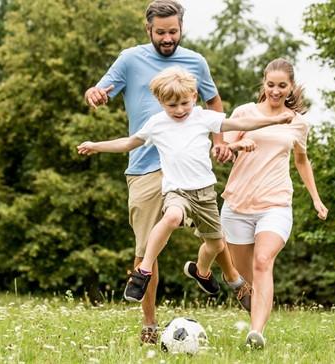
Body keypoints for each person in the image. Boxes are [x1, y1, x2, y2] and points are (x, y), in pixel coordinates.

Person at [82, 0, 249, 344]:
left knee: (212, 230)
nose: (168, 38)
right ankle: (149, 323)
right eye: (161, 32)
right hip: (144, 166)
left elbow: (213, 104)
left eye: (173, 31)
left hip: (187, 162)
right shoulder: (130, 59)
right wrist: (95, 94)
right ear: (149, 30)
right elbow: (100, 90)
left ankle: (232, 278)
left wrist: (220, 141)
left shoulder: (195, 62)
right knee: (146, 250)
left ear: (181, 28)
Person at [78, 67, 294, 306]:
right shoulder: (156, 124)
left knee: (216, 244)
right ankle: (143, 271)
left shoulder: (202, 117)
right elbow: (129, 143)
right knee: (171, 217)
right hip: (176, 191)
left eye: (184, 103)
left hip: (204, 194)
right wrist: (97, 145)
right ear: (160, 102)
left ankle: (201, 271)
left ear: (193, 97)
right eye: (172, 105)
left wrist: (274, 119)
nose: (179, 110)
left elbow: (239, 123)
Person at [219, 58, 329, 349]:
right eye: (271, 85)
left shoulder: (298, 122)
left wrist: (316, 198)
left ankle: (256, 332)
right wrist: (234, 146)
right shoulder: (245, 112)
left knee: (263, 261)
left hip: (276, 203)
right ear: (263, 83)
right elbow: (222, 148)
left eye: (282, 86)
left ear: (291, 86)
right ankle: (250, 299)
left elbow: (302, 161)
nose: (276, 91)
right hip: (238, 203)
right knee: (246, 279)